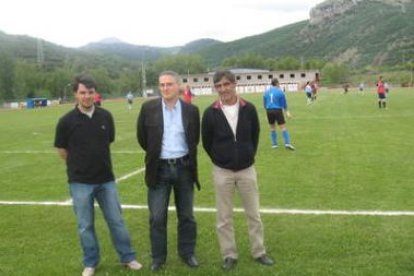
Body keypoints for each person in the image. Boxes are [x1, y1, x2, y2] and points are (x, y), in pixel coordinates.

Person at [54, 74, 142, 276]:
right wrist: (79, 165)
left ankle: (128, 257)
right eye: (82, 92)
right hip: (80, 182)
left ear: (95, 93)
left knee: (116, 221)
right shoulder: (66, 121)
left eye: (90, 92)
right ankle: (91, 262)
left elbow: (107, 141)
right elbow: (62, 151)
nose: (86, 96)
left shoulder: (105, 116)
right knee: (85, 225)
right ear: (76, 94)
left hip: (106, 180)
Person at [201, 70, 274, 270]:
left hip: (246, 169)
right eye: (219, 86)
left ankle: (259, 252)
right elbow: (206, 142)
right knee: (224, 217)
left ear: (235, 84)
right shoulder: (210, 112)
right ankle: (229, 255)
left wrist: (247, 154)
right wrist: (220, 158)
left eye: (226, 84)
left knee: (254, 214)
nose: (223, 89)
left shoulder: (248, 108)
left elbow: (255, 135)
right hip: (222, 171)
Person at [136, 70, 200, 271]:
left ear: (178, 86)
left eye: (169, 84)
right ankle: (158, 258)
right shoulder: (148, 108)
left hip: (184, 168)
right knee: (157, 217)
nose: (165, 88)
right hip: (159, 169)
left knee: (187, 215)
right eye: (162, 85)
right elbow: (142, 138)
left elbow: (194, 139)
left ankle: (187, 253)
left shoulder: (191, 110)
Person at [263, 78, 295, 150]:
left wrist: (266, 113)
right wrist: (287, 112)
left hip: (269, 110)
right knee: (283, 127)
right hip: (277, 110)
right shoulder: (280, 92)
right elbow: (284, 103)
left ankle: (274, 145)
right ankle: (287, 143)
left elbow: (265, 104)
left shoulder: (266, 92)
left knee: (272, 128)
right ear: (277, 83)